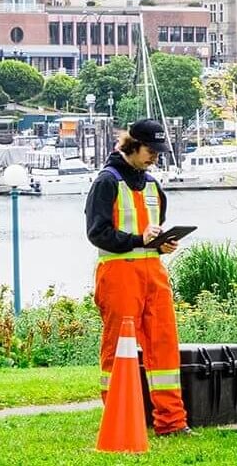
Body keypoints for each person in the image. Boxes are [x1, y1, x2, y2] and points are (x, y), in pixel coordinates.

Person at [85, 119, 186, 436]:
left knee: (165, 347)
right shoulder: (107, 182)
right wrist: (138, 240)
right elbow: (97, 233)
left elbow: (152, 232)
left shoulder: (155, 186)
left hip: (154, 274)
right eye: (150, 150)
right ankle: (120, 416)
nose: (155, 156)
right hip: (118, 275)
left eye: (158, 151)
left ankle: (171, 422)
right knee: (119, 350)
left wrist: (163, 244)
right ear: (132, 145)